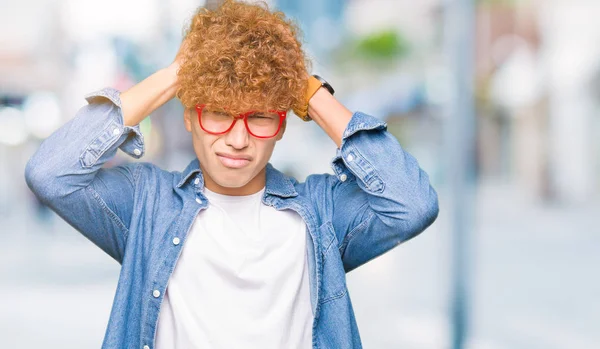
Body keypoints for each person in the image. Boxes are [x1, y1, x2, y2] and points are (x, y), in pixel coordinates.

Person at [24, 1, 439, 348]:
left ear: (281, 123)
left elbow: (412, 204)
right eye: (218, 114)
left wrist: (309, 90)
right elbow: (51, 173)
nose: (238, 139)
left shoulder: (322, 213)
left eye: (259, 117)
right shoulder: (146, 206)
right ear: (189, 117)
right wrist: (177, 73)